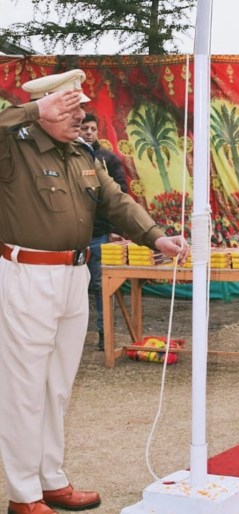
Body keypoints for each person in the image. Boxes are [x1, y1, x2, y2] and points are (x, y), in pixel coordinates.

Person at [0, 69, 189, 514]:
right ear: (46, 108)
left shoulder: (81, 154)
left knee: (57, 387)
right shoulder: (13, 147)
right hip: (28, 276)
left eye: (81, 107)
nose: (81, 116)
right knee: (24, 389)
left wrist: (156, 237)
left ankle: (50, 478)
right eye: (70, 107)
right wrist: (31, 110)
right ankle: (22, 493)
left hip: (73, 277)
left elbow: (115, 201)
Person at [80, 111, 129, 351]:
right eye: (84, 128)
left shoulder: (108, 159)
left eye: (92, 129)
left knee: (101, 285)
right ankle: (73, 335)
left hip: (99, 234)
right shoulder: (65, 156)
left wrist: (115, 229)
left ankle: (104, 333)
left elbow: (121, 196)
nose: (89, 133)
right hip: (71, 236)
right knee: (71, 286)